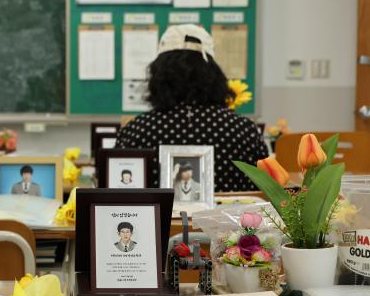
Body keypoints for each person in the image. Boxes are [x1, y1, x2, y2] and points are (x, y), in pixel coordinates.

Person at [115, 24, 268, 192]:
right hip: (233, 218)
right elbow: (267, 190)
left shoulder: (136, 131)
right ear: (214, 75)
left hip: (158, 219)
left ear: (158, 76)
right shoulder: (244, 131)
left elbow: (117, 192)